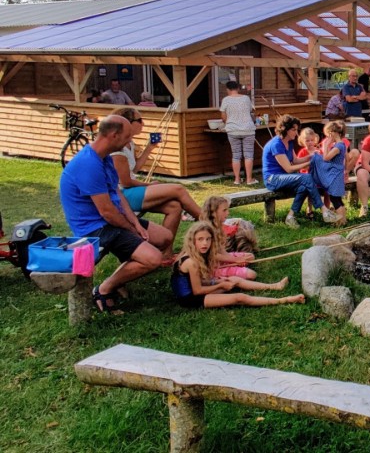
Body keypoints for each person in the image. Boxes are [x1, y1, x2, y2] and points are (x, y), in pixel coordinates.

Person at [59, 114, 173, 313]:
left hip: (111, 221)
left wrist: (136, 224)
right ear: (113, 135)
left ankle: (120, 278)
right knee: (153, 258)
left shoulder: (104, 158)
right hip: (96, 228)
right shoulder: (88, 164)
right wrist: (131, 228)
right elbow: (107, 212)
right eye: (128, 136)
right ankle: (104, 289)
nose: (130, 141)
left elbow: (117, 194)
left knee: (165, 237)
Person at [110, 107, 202, 246]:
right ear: (127, 123)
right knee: (178, 189)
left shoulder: (130, 143)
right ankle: (208, 222)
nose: (143, 124)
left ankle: (166, 252)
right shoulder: (117, 149)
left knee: (174, 207)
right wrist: (150, 185)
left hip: (129, 191)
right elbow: (126, 182)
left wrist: (149, 148)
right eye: (139, 120)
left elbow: (134, 169)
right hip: (122, 196)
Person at [170, 222, 305, 309]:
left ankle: (275, 286)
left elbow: (197, 280)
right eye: (200, 239)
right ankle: (285, 300)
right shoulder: (191, 262)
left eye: (208, 239)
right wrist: (220, 285)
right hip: (190, 300)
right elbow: (197, 291)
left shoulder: (198, 254)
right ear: (192, 240)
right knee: (240, 298)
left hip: (196, 291)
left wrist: (217, 281)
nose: (205, 243)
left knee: (234, 280)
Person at [261, 114, 339, 228]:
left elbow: (296, 160)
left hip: (284, 177)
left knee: (304, 187)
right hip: (272, 179)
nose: (296, 133)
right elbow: (289, 168)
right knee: (306, 178)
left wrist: (312, 156)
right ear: (285, 129)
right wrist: (310, 163)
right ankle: (324, 210)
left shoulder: (289, 142)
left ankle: (290, 216)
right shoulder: (276, 144)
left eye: (296, 129)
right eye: (293, 130)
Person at [199, 196, 257, 280]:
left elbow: (222, 250)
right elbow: (211, 255)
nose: (228, 213)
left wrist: (235, 259)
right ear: (213, 213)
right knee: (252, 274)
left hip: (219, 261)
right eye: (224, 210)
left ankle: (234, 270)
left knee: (250, 256)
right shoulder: (206, 230)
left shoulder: (218, 227)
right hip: (210, 267)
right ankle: (221, 278)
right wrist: (235, 260)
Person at [309, 120, 348, 226]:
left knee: (335, 199)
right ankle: (342, 220)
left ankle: (341, 222)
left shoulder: (338, 146)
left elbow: (326, 158)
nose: (327, 137)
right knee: (337, 199)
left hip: (334, 174)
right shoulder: (340, 144)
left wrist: (326, 145)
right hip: (336, 172)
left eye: (327, 134)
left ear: (332, 133)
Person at [220, 80, 258, 185]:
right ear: (238, 88)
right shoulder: (246, 98)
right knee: (248, 155)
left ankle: (237, 179)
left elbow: (223, 116)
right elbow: (251, 111)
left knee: (236, 155)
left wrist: (228, 122)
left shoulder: (225, 100)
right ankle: (249, 179)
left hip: (232, 130)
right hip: (248, 129)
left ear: (227, 89)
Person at [296, 127, 320, 218]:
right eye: (307, 141)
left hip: (317, 175)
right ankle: (309, 208)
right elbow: (300, 166)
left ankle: (327, 205)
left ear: (315, 140)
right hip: (306, 175)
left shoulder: (318, 151)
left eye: (312, 140)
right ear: (302, 141)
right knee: (310, 186)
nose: (310, 143)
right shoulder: (302, 152)